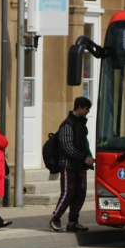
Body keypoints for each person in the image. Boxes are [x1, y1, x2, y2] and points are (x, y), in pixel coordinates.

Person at [49, 96, 94, 233]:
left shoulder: (80, 124)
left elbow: (83, 144)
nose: (88, 112)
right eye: (87, 109)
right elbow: (67, 147)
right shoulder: (67, 125)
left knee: (80, 194)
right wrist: (83, 158)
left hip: (80, 166)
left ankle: (73, 222)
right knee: (68, 193)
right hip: (68, 166)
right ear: (79, 107)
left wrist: (87, 158)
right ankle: (55, 219)